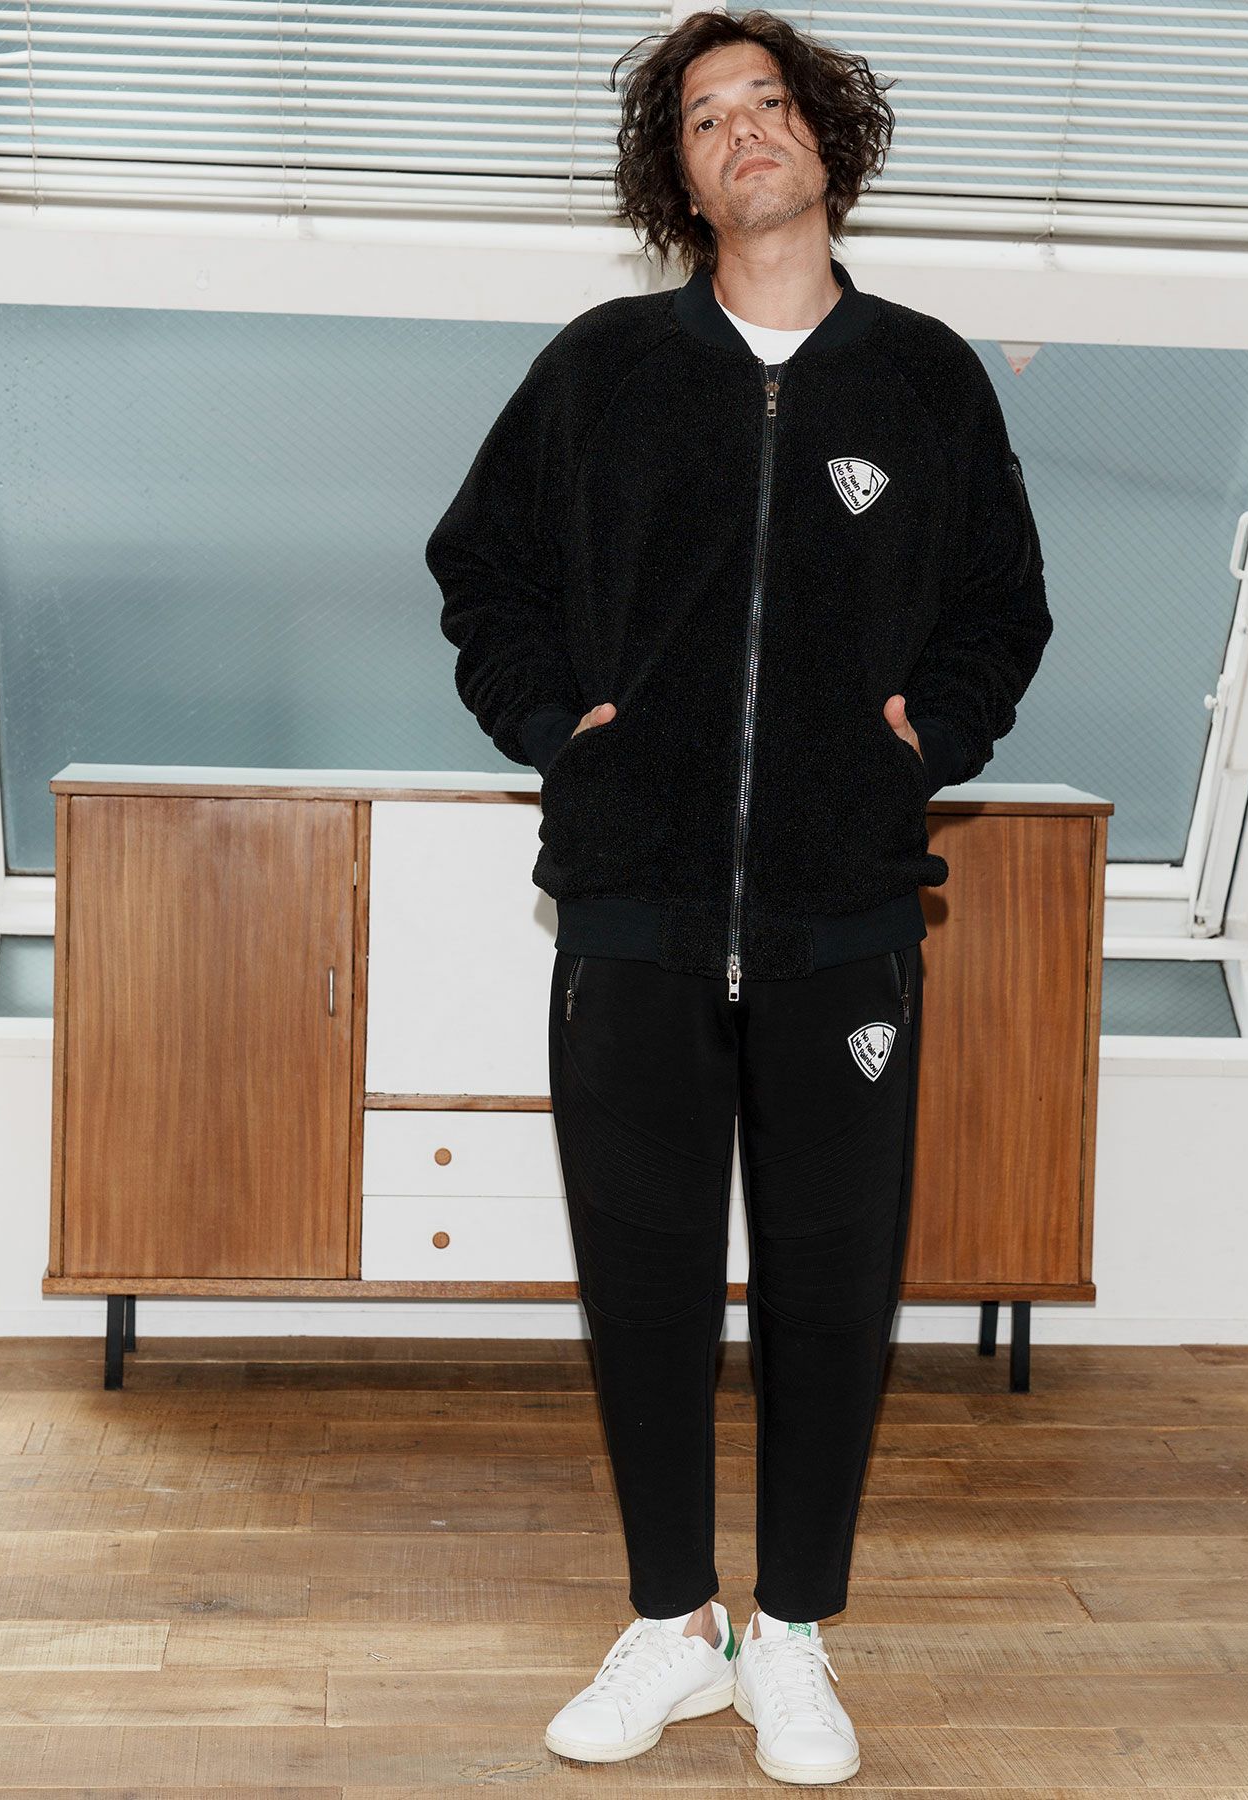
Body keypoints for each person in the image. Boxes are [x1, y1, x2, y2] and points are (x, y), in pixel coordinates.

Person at [424, 8, 1052, 1784]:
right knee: (641, 1281)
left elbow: (1002, 607)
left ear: (825, 139)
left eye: (769, 102)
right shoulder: (605, 367)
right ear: (679, 178)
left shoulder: (925, 377)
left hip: (844, 913)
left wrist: (930, 740)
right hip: (633, 904)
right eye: (705, 118)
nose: (743, 131)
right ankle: (669, 1624)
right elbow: (481, 573)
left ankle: (793, 1637)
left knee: (832, 1291)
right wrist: (560, 730)